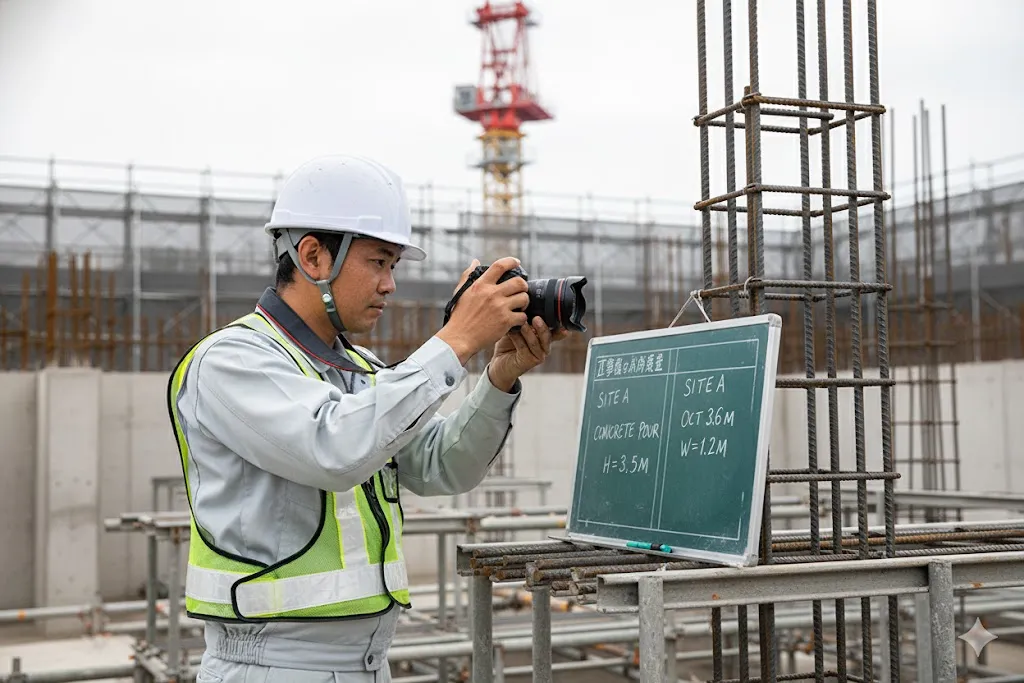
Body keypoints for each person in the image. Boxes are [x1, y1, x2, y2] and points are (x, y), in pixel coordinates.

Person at [166, 154, 570, 682]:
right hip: (270, 666)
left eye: (393, 267)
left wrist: (498, 377)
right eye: (378, 263)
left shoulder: (358, 370)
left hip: (367, 664)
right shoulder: (231, 361)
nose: (389, 284)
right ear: (313, 256)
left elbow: (440, 466)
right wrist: (456, 340)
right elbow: (335, 448)